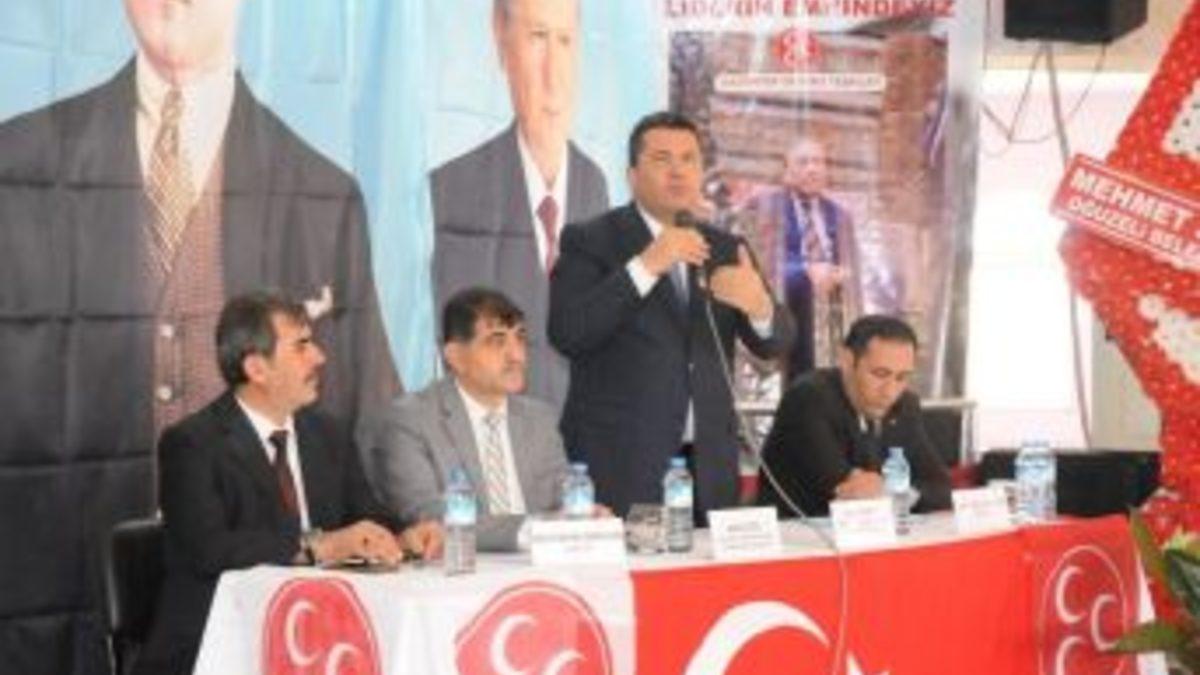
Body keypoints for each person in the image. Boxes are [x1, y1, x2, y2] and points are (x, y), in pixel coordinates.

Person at [0, 3, 399, 665]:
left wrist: (406, 530)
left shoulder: (326, 193)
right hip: (64, 606)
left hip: (295, 634)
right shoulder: (16, 165)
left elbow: (371, 428)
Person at [134, 292, 440, 675]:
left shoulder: (328, 434)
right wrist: (318, 547)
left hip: (324, 637)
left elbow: (366, 514)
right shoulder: (192, 444)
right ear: (257, 368)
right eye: (301, 346)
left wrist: (404, 536)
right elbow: (209, 549)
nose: (320, 357)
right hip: (219, 644)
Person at [548, 111, 793, 521]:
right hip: (623, 466)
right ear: (632, 174)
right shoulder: (591, 239)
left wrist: (760, 308)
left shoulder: (724, 248)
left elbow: (776, 343)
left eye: (689, 159)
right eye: (662, 159)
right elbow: (568, 332)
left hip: (709, 469)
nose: (678, 171)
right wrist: (646, 265)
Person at [430, 0, 610, 410]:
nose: (553, 74)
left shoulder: (594, 184)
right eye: (537, 38)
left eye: (565, 41)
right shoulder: (451, 188)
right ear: (501, 39)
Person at [361, 287, 575, 552]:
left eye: (520, 338)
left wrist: (584, 514)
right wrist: (533, 530)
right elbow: (431, 517)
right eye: (497, 341)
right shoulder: (410, 421)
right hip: (457, 570)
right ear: (455, 357)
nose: (517, 355)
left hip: (544, 566)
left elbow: (563, 495)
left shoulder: (539, 418)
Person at [758, 314, 951, 518]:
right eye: (880, 374)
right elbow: (850, 488)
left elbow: (942, 490)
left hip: (869, 531)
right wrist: (897, 491)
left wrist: (890, 491)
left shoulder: (905, 406)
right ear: (847, 361)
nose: (890, 391)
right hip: (796, 531)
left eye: (902, 377)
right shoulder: (808, 398)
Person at [741, 136, 862, 382]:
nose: (812, 169)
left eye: (818, 162)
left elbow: (853, 272)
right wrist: (804, 273)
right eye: (803, 162)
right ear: (786, 170)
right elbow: (755, 265)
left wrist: (842, 275)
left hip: (828, 323)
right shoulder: (763, 208)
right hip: (782, 317)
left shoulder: (840, 216)